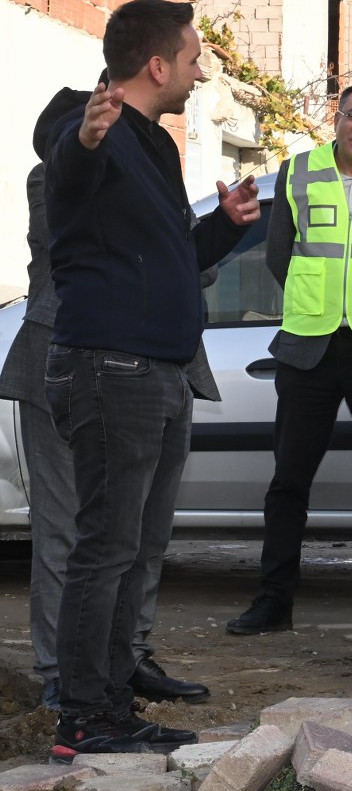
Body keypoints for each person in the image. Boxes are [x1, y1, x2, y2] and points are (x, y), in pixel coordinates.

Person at [45, 0, 259, 757]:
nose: (203, 73)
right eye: (196, 59)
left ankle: (113, 693)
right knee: (105, 547)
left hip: (164, 373)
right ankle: (83, 715)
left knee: (138, 548)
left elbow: (171, 257)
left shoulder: (161, 149)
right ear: (158, 64)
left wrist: (224, 228)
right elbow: (69, 160)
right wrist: (86, 136)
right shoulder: (84, 122)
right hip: (113, 369)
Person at [2, 89, 207, 711]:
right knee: (70, 531)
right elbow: (99, 253)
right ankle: (62, 672)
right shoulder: (60, 171)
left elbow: (190, 260)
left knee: (144, 533)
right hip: (73, 361)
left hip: (161, 362)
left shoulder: (157, 164)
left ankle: (125, 656)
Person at [227, 83, 352, 636]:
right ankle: (274, 600)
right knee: (289, 481)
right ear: (335, 119)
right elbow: (278, 257)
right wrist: (317, 302)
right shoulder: (299, 172)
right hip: (309, 349)